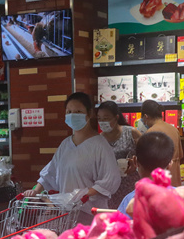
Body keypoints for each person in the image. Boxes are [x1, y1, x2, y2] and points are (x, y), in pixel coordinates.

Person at [27, 92, 121, 223]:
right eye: (69, 111)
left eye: (78, 111)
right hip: (66, 214)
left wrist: (82, 195)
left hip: (90, 214)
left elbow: (110, 179)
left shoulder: (100, 145)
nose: (72, 115)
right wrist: (35, 191)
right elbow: (50, 172)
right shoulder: (65, 145)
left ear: (89, 113)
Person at [117, 131, 175, 218]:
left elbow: (119, 226)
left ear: (135, 161)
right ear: (170, 164)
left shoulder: (129, 201)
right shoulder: (180, 197)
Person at [97, 101, 142, 209]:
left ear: (116, 117)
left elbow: (147, 155)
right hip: (110, 188)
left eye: (106, 118)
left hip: (131, 185)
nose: (102, 122)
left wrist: (136, 165)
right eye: (99, 118)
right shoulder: (99, 140)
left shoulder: (131, 133)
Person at [140, 100, 182, 186]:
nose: (143, 122)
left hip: (160, 183)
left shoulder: (150, 133)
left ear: (146, 116)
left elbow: (148, 163)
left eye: (143, 119)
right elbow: (180, 156)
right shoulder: (174, 129)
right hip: (175, 181)